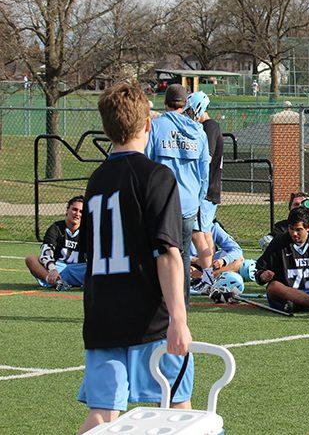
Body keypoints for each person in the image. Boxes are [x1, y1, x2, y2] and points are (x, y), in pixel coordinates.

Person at [76, 82, 192, 433]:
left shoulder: (97, 179)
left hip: (101, 315)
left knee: (102, 418)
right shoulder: (156, 176)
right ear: (147, 126)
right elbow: (168, 253)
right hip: (149, 320)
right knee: (178, 407)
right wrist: (179, 318)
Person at [145, 84, 210, 303]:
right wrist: (197, 200)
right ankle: (182, 301)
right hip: (189, 203)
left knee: (158, 251)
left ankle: (159, 301)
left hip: (162, 201)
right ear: (186, 103)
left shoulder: (155, 126)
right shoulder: (198, 131)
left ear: (165, 102)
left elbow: (147, 162)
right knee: (181, 253)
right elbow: (204, 174)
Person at [184, 90, 223, 294]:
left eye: (190, 109)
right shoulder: (209, 126)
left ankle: (208, 277)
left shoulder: (209, 127)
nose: (189, 114)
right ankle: (209, 278)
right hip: (210, 189)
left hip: (205, 190)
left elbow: (204, 158)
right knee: (205, 234)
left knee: (198, 234)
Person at [25, 196, 86, 290]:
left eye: (81, 211)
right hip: (58, 269)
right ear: (67, 210)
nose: (77, 214)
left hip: (78, 270)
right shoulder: (56, 228)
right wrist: (52, 269)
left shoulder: (88, 231)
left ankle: (89, 283)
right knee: (31, 259)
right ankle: (58, 283)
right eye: (74, 209)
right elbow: (46, 251)